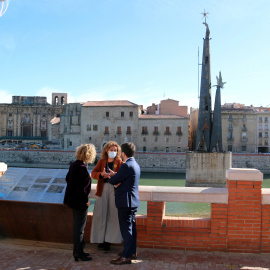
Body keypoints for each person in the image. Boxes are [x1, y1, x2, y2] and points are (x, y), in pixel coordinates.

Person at [108, 142, 140, 265]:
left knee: (126, 230)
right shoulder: (135, 164)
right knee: (132, 228)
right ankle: (132, 252)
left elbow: (114, 181)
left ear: (123, 153)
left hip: (125, 202)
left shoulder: (126, 166)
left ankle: (126, 256)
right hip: (133, 201)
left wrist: (111, 176)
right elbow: (126, 178)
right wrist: (116, 175)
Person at [63, 143, 96, 262]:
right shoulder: (82, 168)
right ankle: (78, 252)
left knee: (77, 227)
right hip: (79, 202)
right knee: (79, 229)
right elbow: (81, 189)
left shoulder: (73, 164)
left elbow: (68, 179)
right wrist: (86, 201)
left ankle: (78, 252)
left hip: (71, 200)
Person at [90, 141, 123, 252]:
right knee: (100, 214)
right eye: (111, 150)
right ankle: (101, 240)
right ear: (106, 150)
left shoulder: (120, 163)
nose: (113, 152)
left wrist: (115, 175)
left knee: (113, 216)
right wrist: (101, 174)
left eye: (115, 150)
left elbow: (123, 177)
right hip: (102, 189)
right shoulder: (101, 161)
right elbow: (93, 174)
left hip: (114, 191)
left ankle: (108, 241)